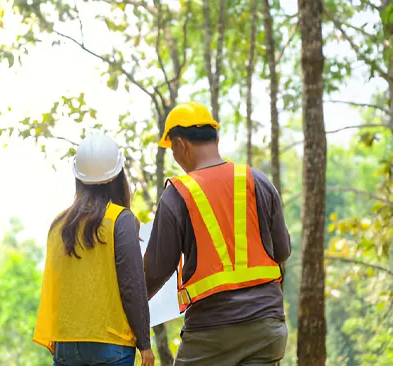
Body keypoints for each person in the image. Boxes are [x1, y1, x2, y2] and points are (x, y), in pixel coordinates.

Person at [144, 102, 291, 365]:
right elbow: (282, 251)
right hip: (267, 327)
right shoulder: (257, 180)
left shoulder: (177, 195)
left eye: (172, 150)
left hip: (210, 331)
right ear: (216, 138)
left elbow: (155, 270)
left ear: (180, 145)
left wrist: (126, 305)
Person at [34, 134, 155, 366]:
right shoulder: (121, 220)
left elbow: (55, 288)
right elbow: (131, 286)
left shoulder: (59, 224)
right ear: (118, 176)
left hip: (66, 344)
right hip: (112, 345)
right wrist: (145, 344)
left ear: (78, 178)